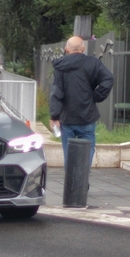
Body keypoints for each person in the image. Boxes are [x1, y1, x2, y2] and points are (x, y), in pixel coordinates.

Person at [49, 36, 114, 167]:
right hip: (87, 116)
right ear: (83, 48)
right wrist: (96, 96)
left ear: (66, 49)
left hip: (67, 118)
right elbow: (108, 79)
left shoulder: (60, 67)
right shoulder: (93, 63)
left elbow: (57, 92)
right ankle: (82, 177)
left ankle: (71, 183)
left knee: (69, 153)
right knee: (87, 150)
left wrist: (54, 115)